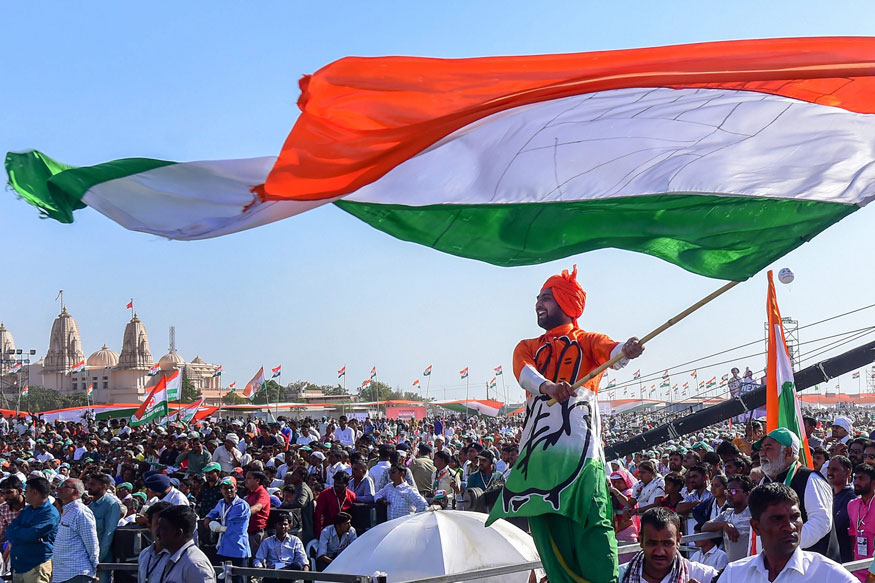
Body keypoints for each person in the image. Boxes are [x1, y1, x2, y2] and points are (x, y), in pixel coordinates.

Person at [715, 483, 855, 583]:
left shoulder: (829, 575)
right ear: (756, 527)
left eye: (795, 517)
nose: (790, 527)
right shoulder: (734, 574)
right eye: (777, 519)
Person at [757, 427, 840, 561]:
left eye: (768, 448)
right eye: (761, 449)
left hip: (811, 567)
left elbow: (820, 522)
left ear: (788, 451)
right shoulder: (765, 481)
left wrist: (783, 544)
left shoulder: (810, 479)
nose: (761, 454)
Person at [619, 507, 718, 583]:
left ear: (678, 540)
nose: (659, 552)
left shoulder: (705, 576)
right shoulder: (619, 576)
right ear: (641, 540)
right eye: (652, 543)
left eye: (667, 543)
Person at [6, 477, 60, 583]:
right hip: (19, 565)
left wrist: (18, 532)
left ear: (34, 492)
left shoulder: (50, 513)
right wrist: (22, 532)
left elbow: (30, 534)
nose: (25, 494)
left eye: (27, 491)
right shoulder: (27, 510)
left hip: (36, 565)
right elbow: (9, 531)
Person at [52, 478, 98, 583]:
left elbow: (92, 543)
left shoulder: (81, 512)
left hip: (76, 573)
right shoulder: (67, 511)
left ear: (76, 492)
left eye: (65, 486)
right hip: (62, 574)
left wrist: (94, 569)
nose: (59, 488)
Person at [205, 476, 250, 583]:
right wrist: (208, 518)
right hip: (223, 548)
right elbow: (214, 511)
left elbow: (238, 530)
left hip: (237, 550)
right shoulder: (221, 503)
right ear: (221, 490)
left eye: (231, 487)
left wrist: (219, 528)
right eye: (225, 488)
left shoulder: (242, 506)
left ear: (236, 489)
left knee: (239, 580)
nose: (228, 490)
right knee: (220, 579)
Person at [155, 505, 217, 583]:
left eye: (163, 528)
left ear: (178, 533)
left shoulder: (195, 565)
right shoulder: (168, 557)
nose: (157, 532)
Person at [703, 475, 753, 562]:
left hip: (750, 566)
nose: (729, 495)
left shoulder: (753, 513)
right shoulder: (727, 514)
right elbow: (705, 527)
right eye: (727, 491)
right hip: (733, 568)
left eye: (733, 491)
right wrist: (724, 525)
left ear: (747, 494)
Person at [84, 473, 120, 582]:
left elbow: (108, 534)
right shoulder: (91, 505)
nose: (88, 487)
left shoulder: (111, 505)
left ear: (103, 486)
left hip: (102, 559)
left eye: (92, 484)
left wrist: (97, 559)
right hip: (87, 558)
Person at [252, 513, 308, 580]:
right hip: (273, 571)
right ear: (275, 526)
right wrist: (260, 569)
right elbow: (258, 559)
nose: (283, 527)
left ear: (289, 526)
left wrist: (305, 567)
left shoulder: (295, 540)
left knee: (297, 565)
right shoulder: (267, 541)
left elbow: (302, 557)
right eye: (280, 524)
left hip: (289, 571)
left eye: (285, 524)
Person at [848, 463, 875, 581]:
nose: (856, 482)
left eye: (861, 478)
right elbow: (853, 536)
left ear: (873, 482)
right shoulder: (852, 505)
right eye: (855, 478)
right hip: (857, 570)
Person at [137, 501, 173, 583]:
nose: (163, 528)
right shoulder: (144, 555)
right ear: (149, 526)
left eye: (168, 524)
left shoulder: (181, 557)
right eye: (159, 523)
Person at [829, 455, 856, 563]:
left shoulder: (853, 498)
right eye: (829, 469)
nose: (830, 473)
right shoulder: (827, 495)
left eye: (834, 469)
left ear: (847, 472)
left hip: (847, 560)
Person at [314, 471, 355, 538]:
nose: (336, 484)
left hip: (345, 532)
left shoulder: (351, 496)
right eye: (335, 482)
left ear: (346, 484)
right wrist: (319, 533)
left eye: (340, 483)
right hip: (328, 531)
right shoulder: (325, 494)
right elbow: (318, 515)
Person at [280, 468, 315, 544]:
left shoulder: (303, 489)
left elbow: (301, 503)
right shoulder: (298, 488)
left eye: (294, 474)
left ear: (302, 476)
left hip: (304, 527)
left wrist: (286, 505)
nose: (292, 477)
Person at [244, 470, 271, 556]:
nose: (245, 480)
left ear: (257, 480)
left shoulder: (262, 494)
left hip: (256, 534)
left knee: (255, 559)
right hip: (248, 532)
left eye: (248, 478)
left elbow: (257, 507)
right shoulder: (250, 493)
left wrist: (241, 514)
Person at [0, 476, 25, 544]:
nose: (5, 496)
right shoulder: (3, 508)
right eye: (3, 493)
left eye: (9, 492)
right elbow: (3, 532)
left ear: (19, 491)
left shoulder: (31, 506)